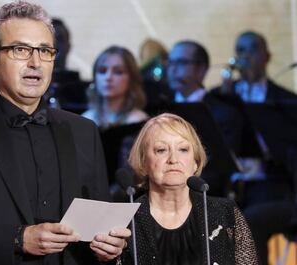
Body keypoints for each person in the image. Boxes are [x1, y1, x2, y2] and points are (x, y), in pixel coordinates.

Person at [0, 2, 130, 265]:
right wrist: (18, 239)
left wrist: (107, 247)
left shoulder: (83, 131)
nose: (35, 62)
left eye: (45, 51)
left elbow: (98, 227)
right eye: (20, 50)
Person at [119, 113, 259, 265]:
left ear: (196, 163)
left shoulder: (225, 212)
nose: (173, 159)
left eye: (183, 149)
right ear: (143, 162)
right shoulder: (126, 221)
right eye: (161, 150)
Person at [166, 40, 245, 196]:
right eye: (170, 63)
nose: (173, 69)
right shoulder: (161, 109)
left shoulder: (223, 113)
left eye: (181, 62)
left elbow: (221, 168)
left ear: (201, 69)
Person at [213, 30, 297, 103]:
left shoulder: (288, 99)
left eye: (253, 49)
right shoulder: (216, 96)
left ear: (267, 56)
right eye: (241, 50)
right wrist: (224, 98)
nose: (246, 55)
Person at [82, 46, 148, 129]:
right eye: (102, 71)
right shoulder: (85, 119)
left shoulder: (139, 121)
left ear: (132, 78)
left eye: (118, 72)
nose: (108, 77)